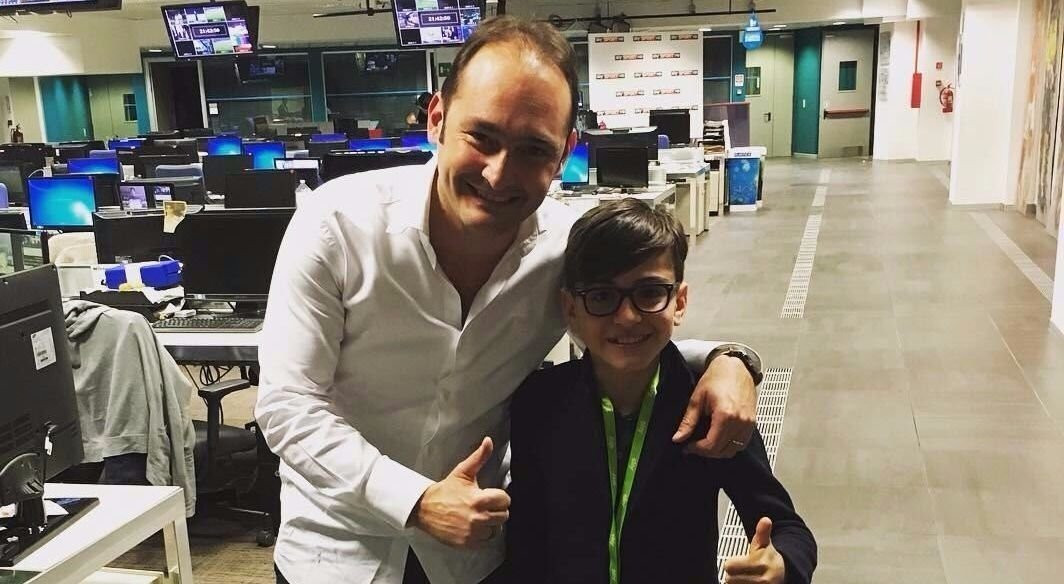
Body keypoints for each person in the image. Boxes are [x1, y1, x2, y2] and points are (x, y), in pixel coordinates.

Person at [256, 16, 763, 584]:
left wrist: (730, 360)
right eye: (482, 138)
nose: (499, 175)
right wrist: (416, 500)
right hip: (336, 551)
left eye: (532, 149)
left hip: (474, 558)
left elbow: (624, 327)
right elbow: (288, 405)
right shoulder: (337, 226)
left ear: (564, 152)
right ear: (437, 119)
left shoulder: (563, 250)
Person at [505, 199, 816, 584]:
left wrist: (781, 564)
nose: (627, 316)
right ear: (571, 309)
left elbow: (788, 527)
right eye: (601, 296)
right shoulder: (540, 403)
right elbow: (527, 538)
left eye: (650, 292)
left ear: (679, 302)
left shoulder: (711, 408)